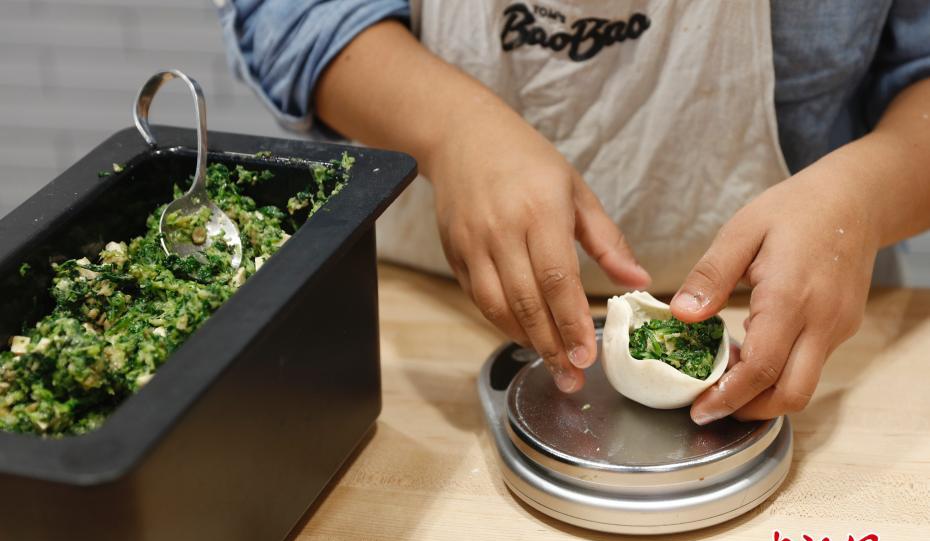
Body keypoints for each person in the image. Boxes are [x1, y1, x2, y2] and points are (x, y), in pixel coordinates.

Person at [218, 1, 930, 425]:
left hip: (801, 320)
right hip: (418, 315)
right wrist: (451, 131)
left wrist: (862, 199)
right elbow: (292, 11)